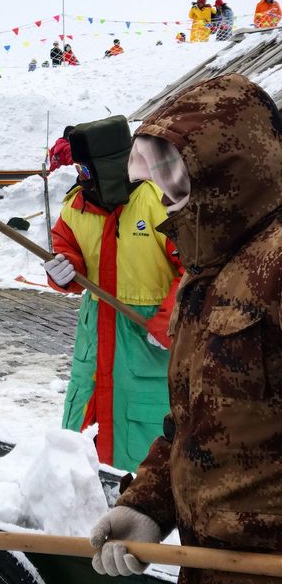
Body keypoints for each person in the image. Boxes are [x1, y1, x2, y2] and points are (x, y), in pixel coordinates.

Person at [88, 73, 282, 583]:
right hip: (209, 563)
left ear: (231, 166)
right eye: (157, 176)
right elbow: (191, 419)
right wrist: (150, 503)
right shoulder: (210, 269)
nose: (167, 194)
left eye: (176, 174)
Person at [44, 116, 182, 473]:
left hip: (147, 343)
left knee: (147, 433)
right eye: (79, 169)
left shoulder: (159, 203)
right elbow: (66, 245)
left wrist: (171, 319)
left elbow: (195, 267)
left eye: (87, 170)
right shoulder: (76, 206)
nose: (82, 178)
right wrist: (65, 269)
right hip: (95, 342)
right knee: (84, 427)